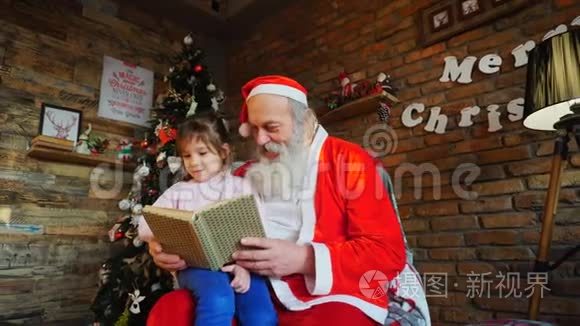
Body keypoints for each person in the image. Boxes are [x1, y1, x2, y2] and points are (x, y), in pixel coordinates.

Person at [148, 76, 430, 325]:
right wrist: (161, 247)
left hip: (330, 294)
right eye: (254, 129)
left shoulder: (350, 161)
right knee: (172, 311)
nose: (260, 140)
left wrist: (304, 259)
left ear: (305, 122)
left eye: (271, 127)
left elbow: (387, 253)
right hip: (248, 286)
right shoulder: (242, 175)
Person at [138, 114, 277, 326]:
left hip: (244, 265)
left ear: (223, 151)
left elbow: (261, 230)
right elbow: (146, 224)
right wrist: (156, 243)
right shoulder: (179, 191)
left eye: (202, 153)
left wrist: (245, 268)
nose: (194, 162)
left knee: (261, 316)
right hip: (195, 267)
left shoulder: (242, 187)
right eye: (187, 156)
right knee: (218, 299)